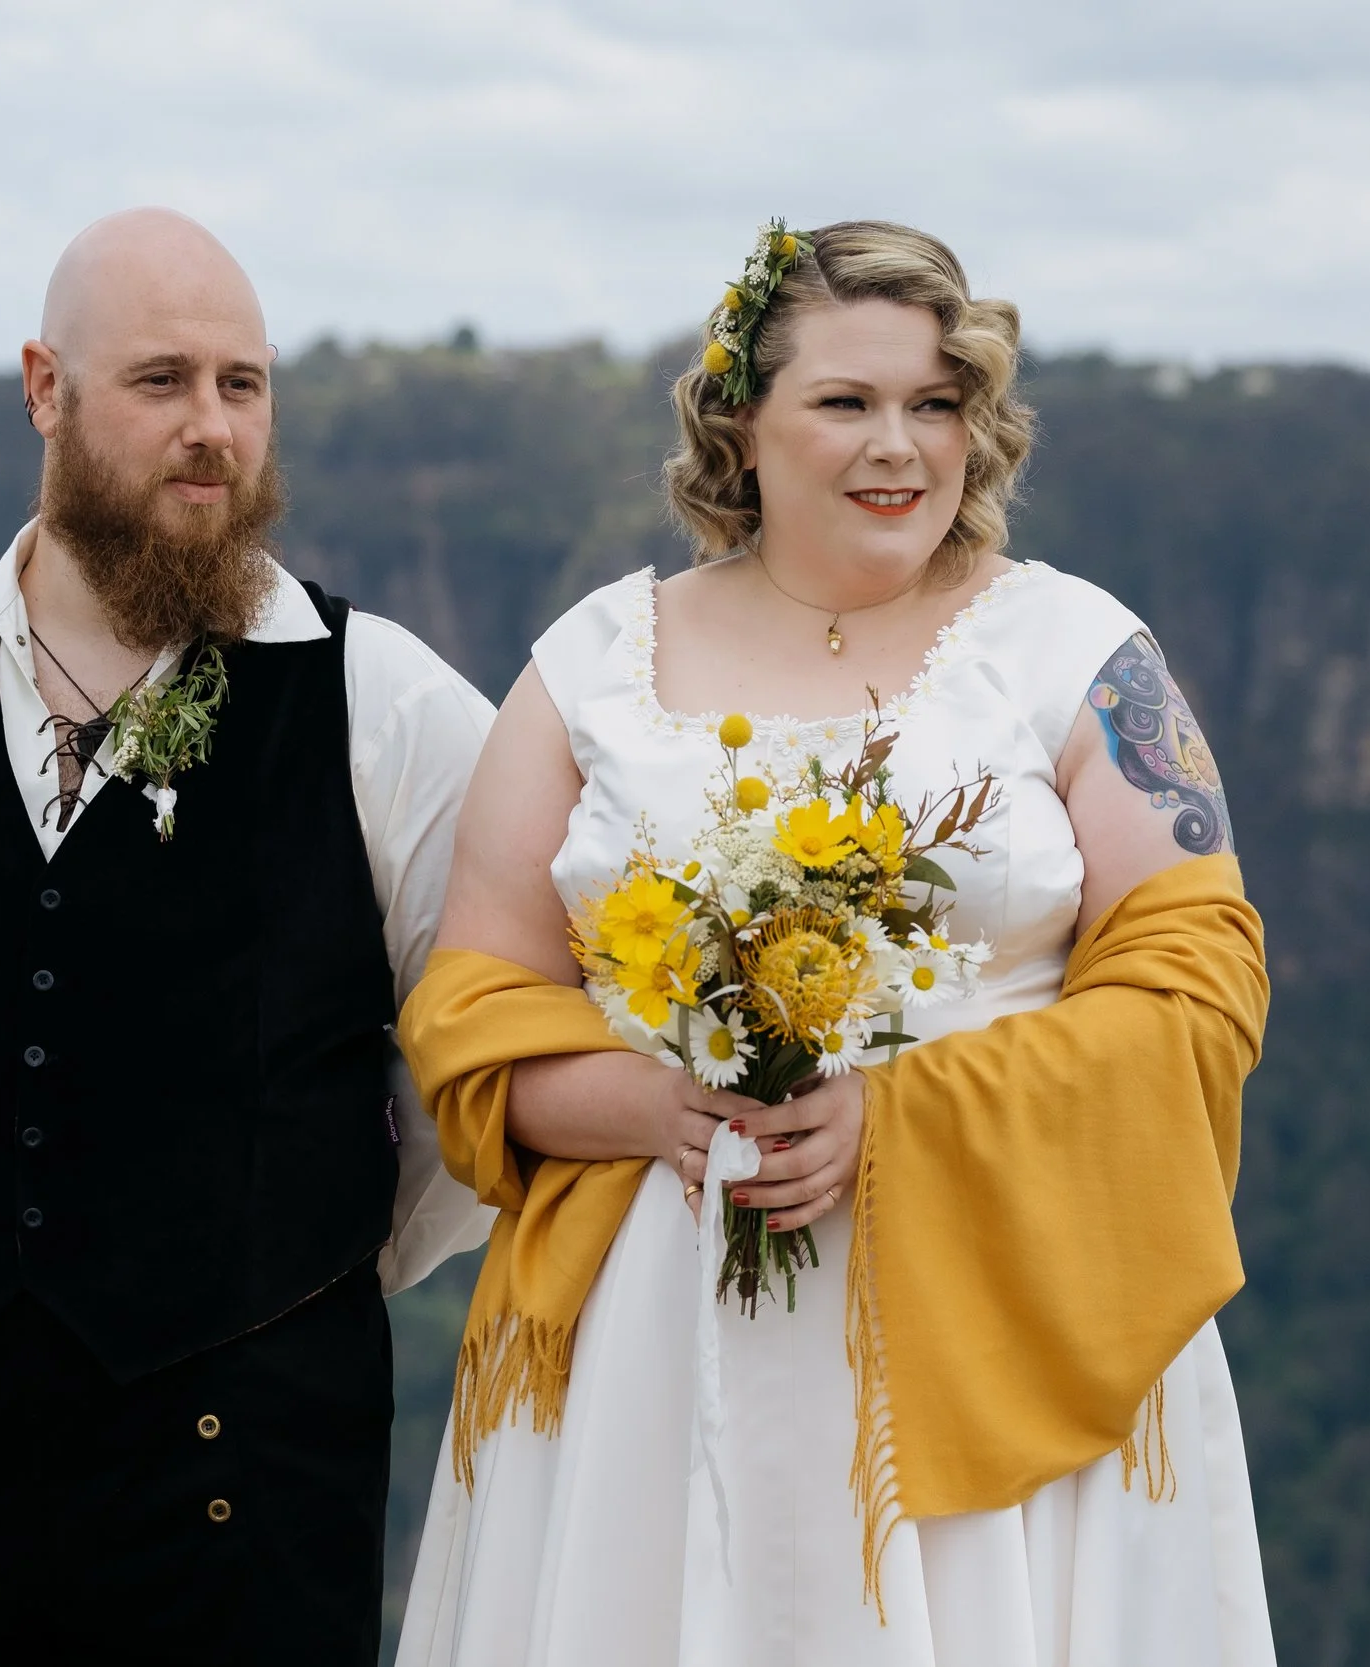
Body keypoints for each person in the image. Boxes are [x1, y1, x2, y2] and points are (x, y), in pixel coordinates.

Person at [393, 221, 1275, 1665]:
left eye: (938, 403)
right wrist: (647, 1099)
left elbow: (1198, 977)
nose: (903, 447)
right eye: (848, 402)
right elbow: (472, 1006)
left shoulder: (1077, 651)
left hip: (1006, 1312)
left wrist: (902, 1117)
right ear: (742, 424)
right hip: (653, 1350)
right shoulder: (588, 670)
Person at [0, 207, 492, 1663]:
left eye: (243, 384)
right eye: (162, 381)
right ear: (44, 389)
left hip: (240, 1499)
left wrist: (304, 1253)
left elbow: (471, 1061)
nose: (212, 428)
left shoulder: (387, 707)